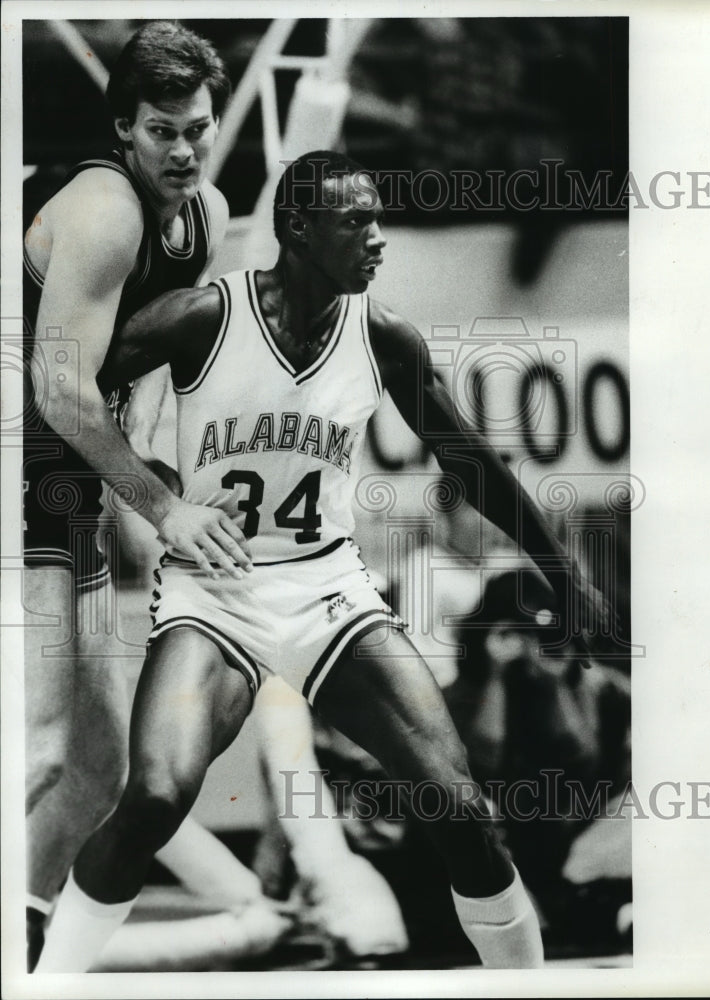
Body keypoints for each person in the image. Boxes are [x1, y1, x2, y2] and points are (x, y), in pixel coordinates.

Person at [36, 150, 611, 972]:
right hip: (216, 587)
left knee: (463, 812)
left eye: (378, 219)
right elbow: (70, 395)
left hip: (328, 586)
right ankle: (44, 986)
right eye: (356, 222)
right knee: (157, 794)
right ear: (297, 228)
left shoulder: (382, 336)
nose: (378, 238)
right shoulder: (200, 317)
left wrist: (563, 572)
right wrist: (158, 489)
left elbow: (473, 463)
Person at [22, 21, 254, 969]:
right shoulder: (103, 211)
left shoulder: (205, 216)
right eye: (162, 130)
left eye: (197, 127)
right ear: (124, 129)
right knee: (35, 739)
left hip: (59, 470)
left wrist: (155, 480)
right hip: (22, 452)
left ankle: (25, 942)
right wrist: (159, 507)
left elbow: (140, 375)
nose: (186, 149)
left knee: (95, 769)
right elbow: (62, 389)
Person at [446, 568, 631, 949]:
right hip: (507, 835)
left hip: (575, 827)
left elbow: (581, 761)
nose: (531, 645)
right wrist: (497, 678)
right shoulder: (463, 693)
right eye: (514, 633)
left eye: (543, 632)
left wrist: (556, 682)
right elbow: (481, 763)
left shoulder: (597, 687)